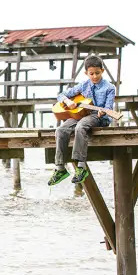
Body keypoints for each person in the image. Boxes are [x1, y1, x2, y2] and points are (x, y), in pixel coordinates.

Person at [48, 55, 115, 185]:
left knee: (80, 127)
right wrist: (68, 101)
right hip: (82, 113)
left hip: (98, 116)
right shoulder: (84, 85)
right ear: (86, 73)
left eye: (97, 73)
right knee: (61, 130)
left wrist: (103, 111)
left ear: (102, 71)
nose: (94, 76)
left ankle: (81, 167)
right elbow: (61, 95)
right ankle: (60, 168)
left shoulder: (109, 87)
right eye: (91, 74)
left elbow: (108, 107)